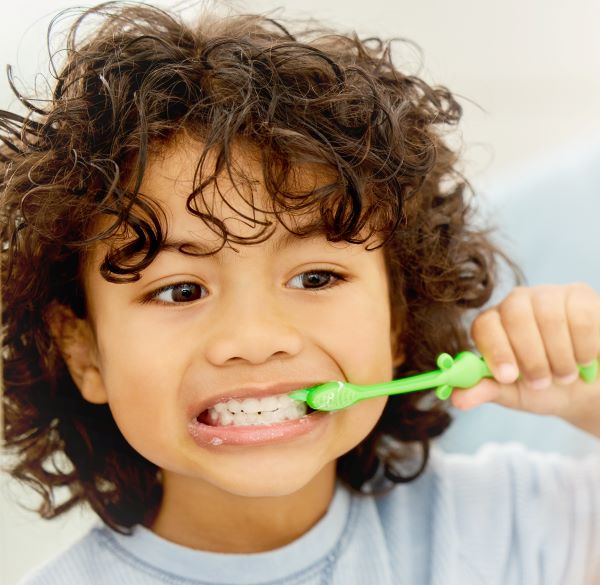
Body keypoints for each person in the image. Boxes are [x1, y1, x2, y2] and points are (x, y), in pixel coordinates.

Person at [1, 3, 598, 584]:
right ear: (83, 352)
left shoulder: (508, 527)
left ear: (398, 318)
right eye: (180, 290)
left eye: (315, 279)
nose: (255, 340)